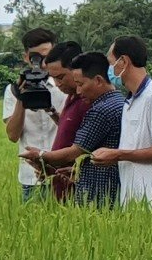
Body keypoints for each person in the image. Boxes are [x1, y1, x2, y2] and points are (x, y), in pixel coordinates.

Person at [20, 53, 124, 207]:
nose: (79, 91)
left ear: (98, 80)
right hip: (105, 187)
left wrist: (40, 155)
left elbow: (76, 151)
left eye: (81, 84)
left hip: (98, 195)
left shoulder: (100, 110)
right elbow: (93, 153)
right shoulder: (118, 100)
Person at [90, 36, 152, 211]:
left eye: (111, 63)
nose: (109, 70)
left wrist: (119, 155)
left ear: (124, 61)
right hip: (133, 199)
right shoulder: (130, 100)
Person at [2, 28, 67, 201]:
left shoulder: (64, 86)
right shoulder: (12, 91)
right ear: (26, 57)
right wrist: (22, 98)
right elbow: (12, 135)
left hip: (63, 173)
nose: (41, 63)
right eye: (35, 57)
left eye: (46, 56)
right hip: (31, 177)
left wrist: (50, 109)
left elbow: (72, 130)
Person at [41, 41, 89, 202]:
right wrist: (52, 112)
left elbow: (82, 148)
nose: (57, 84)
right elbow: (69, 127)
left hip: (79, 193)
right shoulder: (71, 96)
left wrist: (42, 157)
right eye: (53, 78)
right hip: (60, 189)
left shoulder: (87, 101)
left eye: (61, 77)